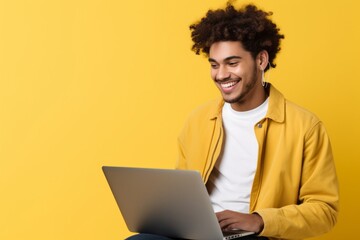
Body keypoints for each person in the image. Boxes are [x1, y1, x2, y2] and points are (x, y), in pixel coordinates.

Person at [127, 2, 339, 240]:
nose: (221, 75)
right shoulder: (198, 120)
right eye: (214, 65)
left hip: (256, 235)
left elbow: (324, 210)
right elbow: (183, 192)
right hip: (198, 232)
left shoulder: (305, 127)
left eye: (232, 63)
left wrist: (259, 220)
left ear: (261, 61)